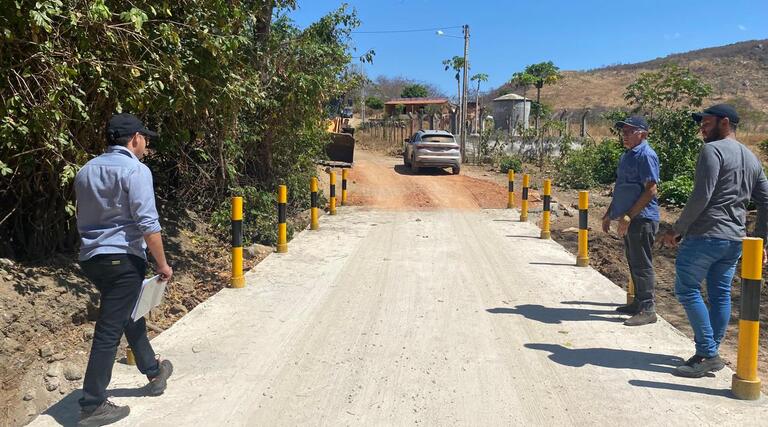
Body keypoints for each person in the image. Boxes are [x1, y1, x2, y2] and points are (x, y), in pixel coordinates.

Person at [74, 113, 174, 426]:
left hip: (92, 259)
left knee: (129, 314)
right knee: (109, 330)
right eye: (144, 138)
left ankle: (154, 371)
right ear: (134, 139)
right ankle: (92, 403)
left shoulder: (85, 170)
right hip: (122, 259)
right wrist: (162, 263)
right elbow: (148, 223)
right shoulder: (136, 170)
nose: (145, 144)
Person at [660, 104, 768, 378]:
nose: (702, 128)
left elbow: (702, 195)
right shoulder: (752, 158)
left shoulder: (713, 150)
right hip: (734, 240)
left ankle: (708, 352)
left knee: (687, 290)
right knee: (719, 294)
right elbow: (766, 200)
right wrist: (760, 241)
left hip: (706, 235)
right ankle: (709, 351)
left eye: (706, 122)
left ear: (724, 122)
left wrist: (677, 229)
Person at [602, 115, 661, 326]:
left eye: (629, 131)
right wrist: (610, 213)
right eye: (623, 131)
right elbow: (622, 187)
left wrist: (628, 216)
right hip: (630, 218)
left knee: (642, 264)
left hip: (642, 219)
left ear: (642, 134)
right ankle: (638, 303)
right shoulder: (628, 155)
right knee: (633, 261)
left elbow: (651, 190)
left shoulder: (646, 155)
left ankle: (647, 308)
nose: (624, 135)